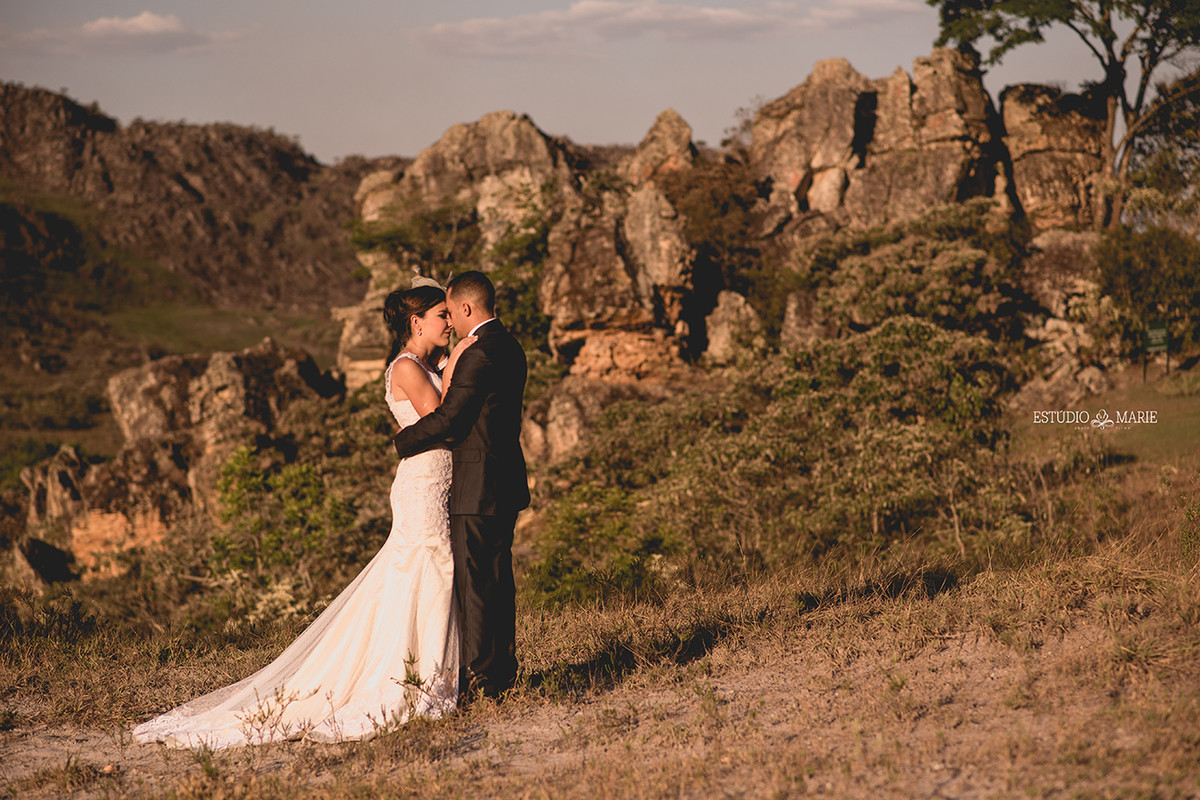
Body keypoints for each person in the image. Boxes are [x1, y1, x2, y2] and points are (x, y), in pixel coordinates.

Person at [132, 284, 472, 749]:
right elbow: (443, 419)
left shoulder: (427, 365)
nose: (449, 323)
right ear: (416, 323)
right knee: (425, 567)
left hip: (437, 480)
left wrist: (448, 363)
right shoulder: (409, 368)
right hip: (423, 483)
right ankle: (411, 677)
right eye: (441, 315)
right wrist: (457, 362)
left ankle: (429, 671)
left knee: (428, 572)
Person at [392, 270, 530, 699]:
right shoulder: (509, 345)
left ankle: (481, 682)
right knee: (496, 583)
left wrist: (402, 441)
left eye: (450, 310)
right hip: (498, 481)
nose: (450, 320)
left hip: (475, 485)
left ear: (466, 307)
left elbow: (450, 420)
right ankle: (499, 672)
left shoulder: (476, 352)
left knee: (476, 590)